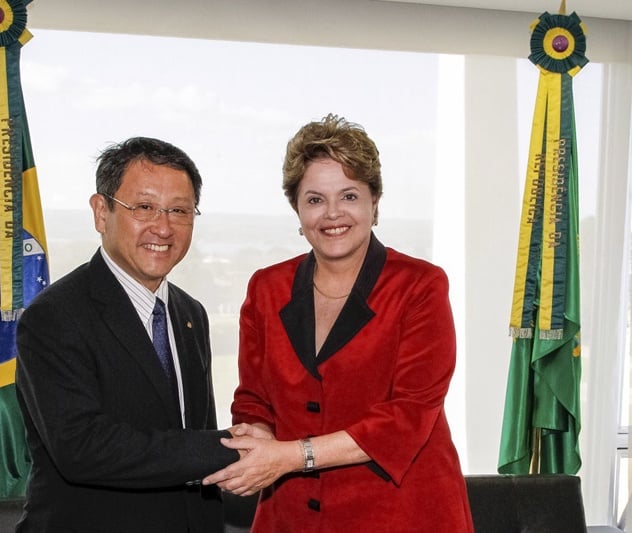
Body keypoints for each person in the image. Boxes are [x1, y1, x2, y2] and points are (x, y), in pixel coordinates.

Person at [202, 114, 474, 532]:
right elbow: (254, 397)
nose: (332, 214)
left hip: (401, 513)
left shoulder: (421, 286)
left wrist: (290, 457)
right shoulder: (266, 288)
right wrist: (257, 440)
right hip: (291, 516)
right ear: (297, 209)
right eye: (314, 200)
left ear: (374, 204)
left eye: (348, 196)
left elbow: (408, 415)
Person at [15, 137, 240, 532]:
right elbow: (82, 447)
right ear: (101, 212)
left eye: (180, 211)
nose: (164, 226)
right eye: (144, 207)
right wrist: (229, 447)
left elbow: (189, 437)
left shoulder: (190, 314)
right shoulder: (53, 317)